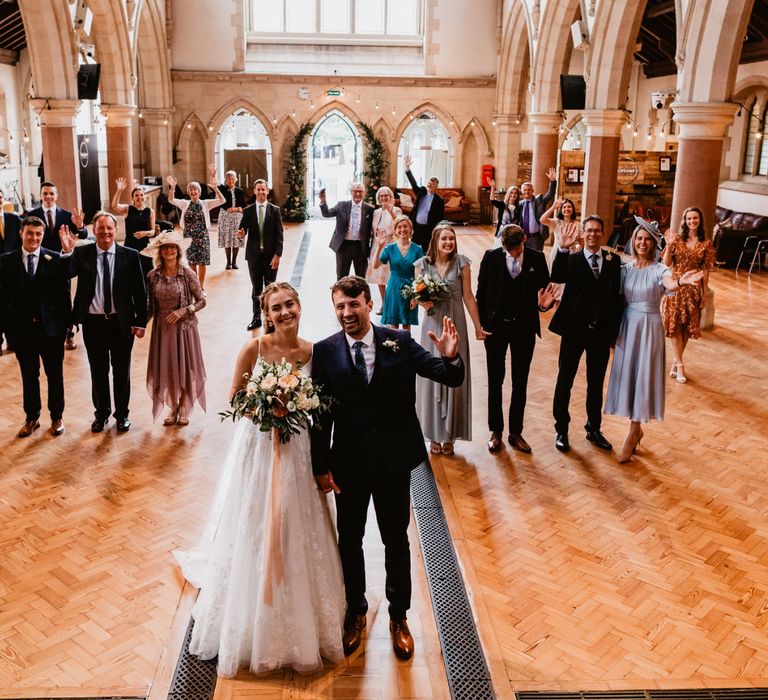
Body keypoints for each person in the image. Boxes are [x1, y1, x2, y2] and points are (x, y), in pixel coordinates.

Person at [175, 282, 345, 677]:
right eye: (276, 308)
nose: (284, 312)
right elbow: (235, 397)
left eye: (289, 305)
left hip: (299, 449)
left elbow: (321, 407)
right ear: (266, 313)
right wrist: (266, 409)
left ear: (299, 307)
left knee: (296, 520)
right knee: (257, 521)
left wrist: (298, 408)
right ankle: (254, 612)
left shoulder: (313, 352)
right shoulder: (254, 349)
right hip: (262, 447)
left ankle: (302, 611)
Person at [311, 275, 464, 661]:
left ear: (368, 304)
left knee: (395, 540)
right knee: (350, 540)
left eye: (354, 304)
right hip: (348, 464)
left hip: (394, 461)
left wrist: (450, 356)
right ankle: (356, 613)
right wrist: (320, 466)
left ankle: (399, 617)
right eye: (340, 306)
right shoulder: (325, 352)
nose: (347, 313)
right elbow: (320, 417)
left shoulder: (399, 341)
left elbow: (449, 376)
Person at [605, 225, 704, 463]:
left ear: (653, 243)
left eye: (647, 239)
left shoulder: (661, 269)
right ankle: (636, 430)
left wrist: (681, 281)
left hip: (649, 327)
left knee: (643, 377)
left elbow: (669, 284)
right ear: (633, 241)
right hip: (628, 326)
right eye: (638, 238)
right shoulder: (625, 270)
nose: (642, 243)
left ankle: (632, 432)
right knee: (629, 375)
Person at [60, 212, 147, 433]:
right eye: (101, 228)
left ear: (115, 230)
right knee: (98, 372)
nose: (105, 232)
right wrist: (67, 251)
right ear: (94, 230)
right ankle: (101, 414)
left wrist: (141, 321)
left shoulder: (130, 255)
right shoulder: (82, 253)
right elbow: (65, 274)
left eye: (109, 228)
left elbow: (140, 291)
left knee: (121, 372)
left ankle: (122, 415)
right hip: (93, 323)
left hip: (122, 323)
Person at [549, 214, 623, 453]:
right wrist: (562, 248)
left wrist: (614, 333)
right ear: (583, 233)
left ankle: (594, 427)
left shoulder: (613, 261)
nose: (592, 234)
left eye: (596, 230)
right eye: (588, 230)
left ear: (602, 233)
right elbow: (556, 276)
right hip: (574, 330)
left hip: (600, 333)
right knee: (565, 379)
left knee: (596, 382)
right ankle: (562, 429)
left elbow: (616, 299)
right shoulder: (572, 259)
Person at [476, 224, 553, 454]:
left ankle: (516, 432)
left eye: (517, 250)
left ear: (525, 240)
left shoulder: (537, 258)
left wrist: (543, 305)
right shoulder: (490, 258)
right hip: (496, 328)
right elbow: (481, 293)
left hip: (524, 328)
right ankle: (495, 431)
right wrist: (482, 325)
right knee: (495, 380)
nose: (513, 254)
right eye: (508, 250)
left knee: (520, 381)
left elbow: (545, 292)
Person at [415, 223, 488, 455]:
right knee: (431, 375)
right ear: (435, 241)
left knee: (455, 374)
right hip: (433, 324)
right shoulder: (422, 265)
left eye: (452, 239)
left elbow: (468, 296)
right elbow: (416, 295)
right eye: (444, 239)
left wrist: (478, 327)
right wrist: (422, 301)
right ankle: (433, 433)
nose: (449, 243)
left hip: (455, 323)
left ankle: (450, 436)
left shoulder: (462, 263)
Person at [0, 217, 71, 437]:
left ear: (42, 235)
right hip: (22, 332)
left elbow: (64, 295)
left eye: (38, 234)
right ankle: (32, 418)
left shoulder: (55, 259)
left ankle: (57, 417)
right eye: (30, 233)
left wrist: (68, 328)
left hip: (51, 330)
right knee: (29, 376)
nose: (34, 238)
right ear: (21, 233)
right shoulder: (6, 261)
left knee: (55, 375)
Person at [142, 229, 206, 426]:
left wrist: (183, 311)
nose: (169, 250)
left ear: (178, 251)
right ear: (160, 252)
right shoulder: (153, 276)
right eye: (165, 248)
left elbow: (202, 301)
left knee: (185, 367)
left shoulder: (187, 274)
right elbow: (150, 306)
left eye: (172, 247)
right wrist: (140, 325)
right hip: (162, 330)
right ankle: (173, 408)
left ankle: (185, 407)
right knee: (167, 368)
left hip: (184, 329)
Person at [26, 181, 87, 349]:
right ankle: (42, 331)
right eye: (45, 193)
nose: (48, 197)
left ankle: (69, 333)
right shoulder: (31, 215)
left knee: (65, 299)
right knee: (41, 298)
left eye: (51, 193)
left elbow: (83, 234)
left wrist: (80, 225)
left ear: (56, 196)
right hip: (39, 266)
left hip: (62, 264)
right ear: (40, 195)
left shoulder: (66, 215)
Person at [661, 206, 716, 384]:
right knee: (675, 325)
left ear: (700, 221)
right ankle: (681, 365)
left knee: (686, 327)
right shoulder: (676, 240)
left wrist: (704, 291)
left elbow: (706, 269)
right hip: (676, 286)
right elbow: (667, 263)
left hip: (693, 289)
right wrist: (669, 247)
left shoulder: (706, 243)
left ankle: (676, 362)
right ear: (684, 221)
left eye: (695, 218)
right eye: (689, 218)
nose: (692, 221)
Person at [166, 166, 225, 290]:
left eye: (195, 190)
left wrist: (215, 189)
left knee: (202, 263)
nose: (193, 192)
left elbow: (222, 200)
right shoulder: (184, 203)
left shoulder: (205, 203)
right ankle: (194, 286)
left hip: (202, 236)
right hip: (188, 236)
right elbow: (171, 199)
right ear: (188, 192)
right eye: (191, 190)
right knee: (192, 263)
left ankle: (201, 287)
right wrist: (172, 188)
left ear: (199, 192)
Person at [237, 179, 284, 332]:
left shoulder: (275, 210)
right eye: (258, 190)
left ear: (267, 191)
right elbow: (242, 230)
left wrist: (278, 255)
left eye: (263, 189)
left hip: (271, 257)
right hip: (254, 257)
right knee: (256, 289)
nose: (261, 192)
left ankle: (271, 320)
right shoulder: (248, 210)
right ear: (254, 191)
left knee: (270, 289)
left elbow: (279, 235)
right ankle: (256, 318)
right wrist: (240, 234)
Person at [374, 214, 423, 330]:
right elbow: (375, 265)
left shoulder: (417, 249)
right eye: (399, 227)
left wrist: (415, 296)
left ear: (410, 229)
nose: (402, 229)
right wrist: (379, 246)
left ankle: (406, 348)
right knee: (393, 325)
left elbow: (420, 275)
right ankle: (394, 348)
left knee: (407, 326)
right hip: (394, 288)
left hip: (411, 289)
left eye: (405, 226)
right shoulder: (389, 248)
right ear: (395, 230)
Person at [319, 182, 374, 280]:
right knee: (341, 276)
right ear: (351, 192)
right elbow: (327, 214)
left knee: (361, 277)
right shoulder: (342, 205)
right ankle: (340, 295)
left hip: (360, 247)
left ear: (364, 193)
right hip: (343, 245)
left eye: (360, 191)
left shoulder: (369, 209)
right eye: (355, 191)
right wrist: (323, 201)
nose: (357, 194)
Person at [111, 177, 157, 279]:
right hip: (130, 245)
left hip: (145, 246)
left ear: (145, 196)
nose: (139, 197)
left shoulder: (150, 211)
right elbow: (114, 206)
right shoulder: (128, 209)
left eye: (141, 195)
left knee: (147, 273)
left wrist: (145, 233)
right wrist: (119, 191)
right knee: (130, 273)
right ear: (132, 198)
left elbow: (153, 231)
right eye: (136, 195)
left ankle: (146, 294)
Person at [365, 186, 401, 313]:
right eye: (381, 196)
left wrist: (390, 211)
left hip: (391, 246)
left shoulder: (397, 210)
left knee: (392, 276)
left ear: (391, 197)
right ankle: (385, 304)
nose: (384, 198)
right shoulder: (376, 212)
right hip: (378, 246)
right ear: (378, 198)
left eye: (386, 195)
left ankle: (394, 304)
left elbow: (399, 225)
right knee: (380, 277)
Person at [539, 197, 581, 302]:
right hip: (557, 254)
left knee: (569, 281)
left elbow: (581, 242)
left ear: (573, 209)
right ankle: (556, 302)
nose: (567, 209)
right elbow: (542, 220)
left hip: (572, 254)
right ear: (561, 210)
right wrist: (553, 207)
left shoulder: (578, 224)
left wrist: (577, 248)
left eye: (569, 206)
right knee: (557, 282)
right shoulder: (557, 222)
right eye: (564, 207)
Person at [403, 154, 445, 250]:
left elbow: (440, 217)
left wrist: (434, 228)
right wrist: (407, 169)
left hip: (428, 229)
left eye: (433, 184)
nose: (430, 184)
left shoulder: (439, 200)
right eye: (429, 182)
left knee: (426, 249)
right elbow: (413, 184)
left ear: (436, 187)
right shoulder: (421, 191)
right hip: (416, 226)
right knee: (413, 248)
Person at [516, 169, 557, 252]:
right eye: (525, 190)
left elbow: (550, 194)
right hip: (522, 238)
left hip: (537, 238)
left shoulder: (539, 201)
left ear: (533, 191)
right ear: (521, 191)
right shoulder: (519, 204)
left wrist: (552, 181)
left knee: (537, 260)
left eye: (529, 190)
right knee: (524, 260)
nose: (527, 192)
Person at [217, 170, 246, 271]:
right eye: (229, 178)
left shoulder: (240, 191)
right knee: (228, 240)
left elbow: (244, 206)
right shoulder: (222, 189)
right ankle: (228, 262)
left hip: (237, 218)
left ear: (236, 180)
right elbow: (214, 189)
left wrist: (236, 209)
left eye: (233, 178)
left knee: (236, 240)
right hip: (225, 218)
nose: (231, 180)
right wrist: (213, 174)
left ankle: (234, 262)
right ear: (226, 180)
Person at [488, 179, 521, 243]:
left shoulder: (519, 207)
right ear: (508, 194)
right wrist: (492, 187)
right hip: (501, 232)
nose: (513, 195)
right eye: (511, 192)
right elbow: (492, 201)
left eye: (515, 193)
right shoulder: (502, 204)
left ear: (517, 195)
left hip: (513, 233)